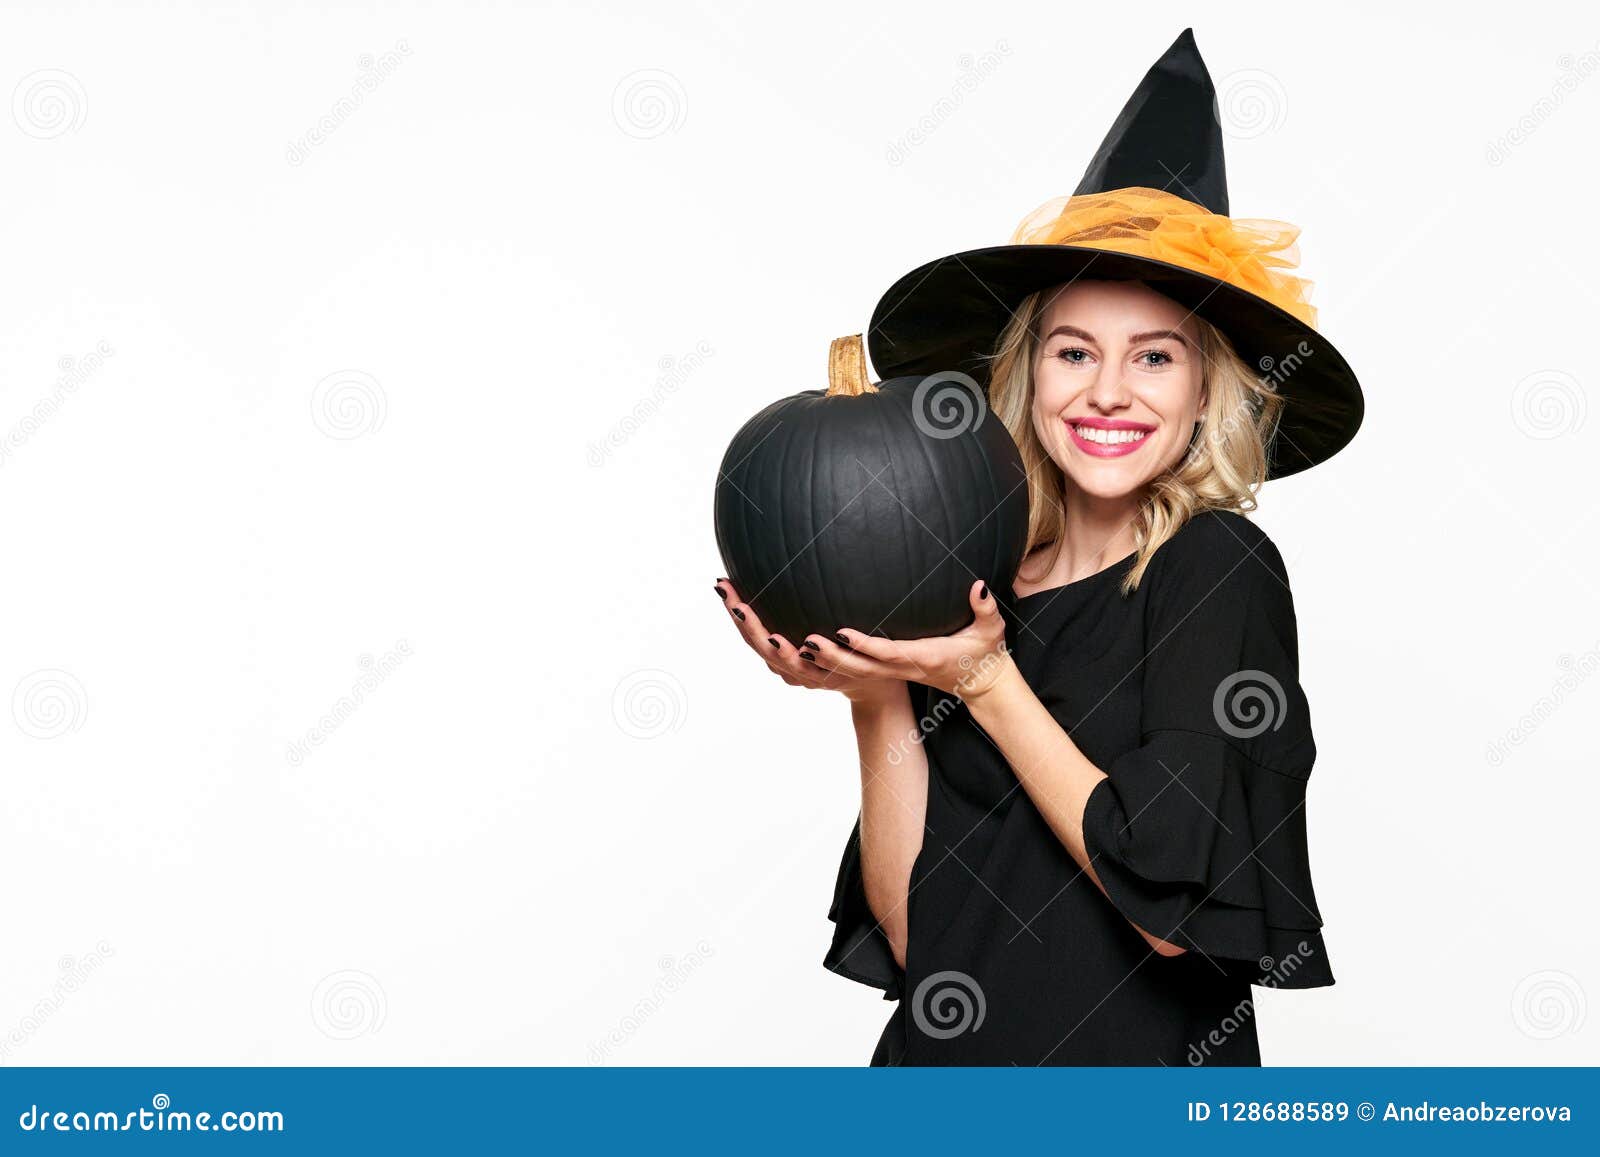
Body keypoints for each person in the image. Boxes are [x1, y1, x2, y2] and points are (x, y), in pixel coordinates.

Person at [714, 28, 1362, 1065]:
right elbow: (923, 941)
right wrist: (876, 691)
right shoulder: (965, 584)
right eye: (1074, 351)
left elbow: (1168, 915)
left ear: (1206, 393)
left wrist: (982, 678)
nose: (1108, 390)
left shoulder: (1214, 570)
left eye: (1154, 356)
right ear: (1028, 373)